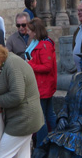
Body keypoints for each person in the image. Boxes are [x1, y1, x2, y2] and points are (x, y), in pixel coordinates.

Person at [34, 47, 82, 158]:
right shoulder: (77, 77)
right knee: (50, 146)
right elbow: (67, 100)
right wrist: (62, 117)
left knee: (67, 149)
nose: (80, 61)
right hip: (71, 122)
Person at [0, 43, 44, 158]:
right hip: (21, 118)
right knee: (21, 155)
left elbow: (17, 95)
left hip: (24, 119)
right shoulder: (0, 67)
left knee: (0, 155)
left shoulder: (12, 64)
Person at [26, 18, 57, 148]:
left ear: (35, 32)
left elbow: (47, 66)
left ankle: (42, 146)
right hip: (42, 85)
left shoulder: (44, 45)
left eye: (29, 30)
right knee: (48, 114)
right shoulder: (38, 43)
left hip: (43, 86)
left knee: (41, 117)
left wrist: (30, 64)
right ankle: (53, 141)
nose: (27, 32)